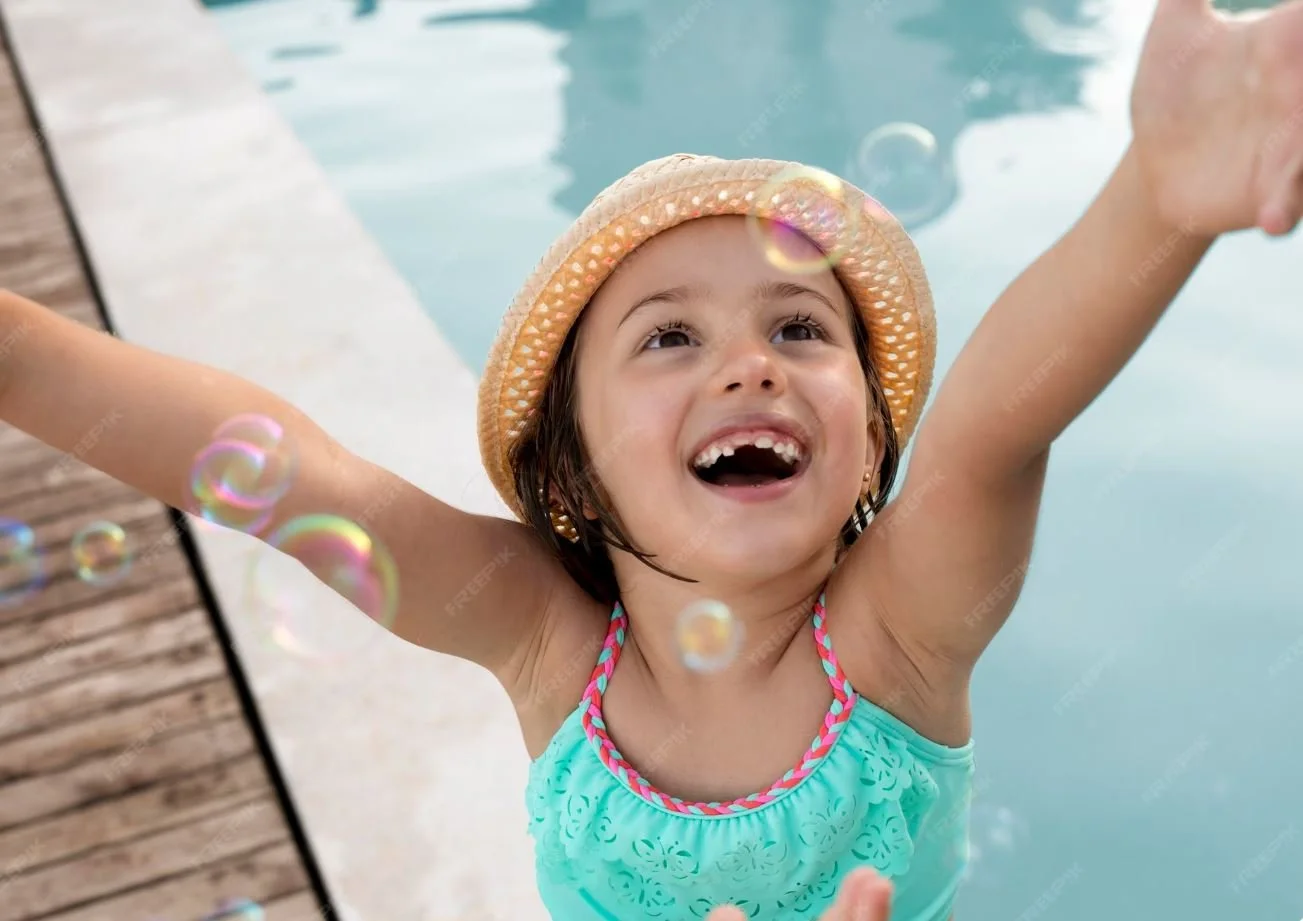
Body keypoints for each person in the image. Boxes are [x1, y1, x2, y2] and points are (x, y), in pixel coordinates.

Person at [2, 0, 1300, 917]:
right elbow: (289, 477)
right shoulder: (543, 647)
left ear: (863, 456)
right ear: (566, 478)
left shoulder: (898, 638)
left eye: (799, 328)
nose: (750, 365)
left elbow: (993, 426)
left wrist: (1153, 196)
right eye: (668, 336)